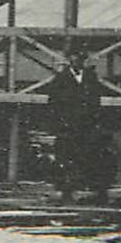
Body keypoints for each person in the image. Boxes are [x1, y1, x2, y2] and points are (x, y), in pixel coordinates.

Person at [45, 47, 106, 202]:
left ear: (83, 60)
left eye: (80, 58)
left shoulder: (91, 77)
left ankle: (94, 192)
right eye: (74, 58)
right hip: (68, 127)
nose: (77, 61)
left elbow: (96, 101)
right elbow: (53, 103)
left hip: (87, 126)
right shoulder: (60, 78)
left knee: (89, 157)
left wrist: (94, 120)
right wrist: (59, 124)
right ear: (69, 60)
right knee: (66, 159)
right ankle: (66, 192)